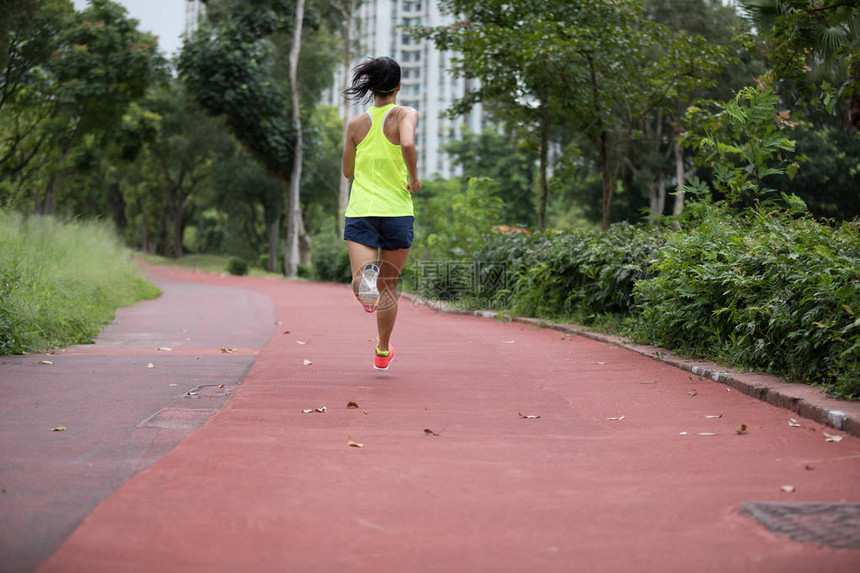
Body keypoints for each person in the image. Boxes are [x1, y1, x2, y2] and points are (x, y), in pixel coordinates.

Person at [342, 56, 421, 371]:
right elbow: (408, 142)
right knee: (389, 287)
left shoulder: (356, 124)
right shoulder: (406, 113)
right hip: (397, 212)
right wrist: (413, 177)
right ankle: (383, 348)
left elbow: (348, 172)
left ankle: (365, 279)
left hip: (362, 210)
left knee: (361, 280)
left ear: (371, 88)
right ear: (399, 86)